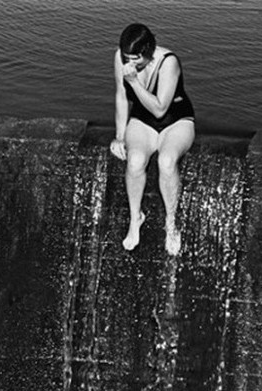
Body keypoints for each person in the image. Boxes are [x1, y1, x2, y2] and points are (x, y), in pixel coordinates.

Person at [110, 23, 195, 256]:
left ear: (147, 51)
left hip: (176, 120)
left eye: (135, 58)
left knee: (166, 161)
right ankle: (135, 217)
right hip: (142, 120)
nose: (130, 63)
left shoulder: (169, 62)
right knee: (135, 160)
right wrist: (119, 136)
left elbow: (159, 109)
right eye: (126, 58)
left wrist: (134, 82)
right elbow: (121, 96)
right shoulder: (120, 58)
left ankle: (171, 223)